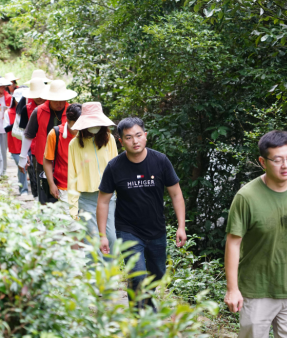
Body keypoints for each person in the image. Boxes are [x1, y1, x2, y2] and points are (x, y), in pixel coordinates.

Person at [223, 130, 287, 338]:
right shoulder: (246, 197)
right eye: (277, 160)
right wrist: (232, 289)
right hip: (257, 290)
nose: (286, 165)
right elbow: (233, 243)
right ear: (263, 161)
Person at [96, 117, 187, 309]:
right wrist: (103, 235)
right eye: (128, 137)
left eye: (138, 135)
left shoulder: (160, 161)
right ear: (121, 141)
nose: (135, 141)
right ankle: (144, 318)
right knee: (137, 275)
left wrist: (181, 226)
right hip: (127, 229)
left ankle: (142, 302)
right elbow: (103, 202)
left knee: (157, 274)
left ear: (145, 136)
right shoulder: (114, 167)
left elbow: (176, 194)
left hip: (156, 228)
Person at [67, 102, 118, 260]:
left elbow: (117, 168)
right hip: (86, 199)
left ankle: (110, 278)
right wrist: (73, 207)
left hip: (108, 197)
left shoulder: (109, 140)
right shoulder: (74, 144)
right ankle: (95, 281)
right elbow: (72, 176)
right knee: (92, 241)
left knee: (111, 238)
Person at [18, 80, 77, 203]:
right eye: (56, 100)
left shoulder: (73, 112)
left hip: (67, 161)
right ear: (50, 98)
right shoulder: (39, 111)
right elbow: (28, 134)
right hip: (43, 159)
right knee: (45, 196)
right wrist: (23, 157)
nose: (60, 104)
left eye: (62, 100)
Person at [43, 104, 81, 203]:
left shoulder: (87, 133)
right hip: (64, 187)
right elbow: (47, 160)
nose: (79, 128)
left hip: (85, 187)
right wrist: (51, 184)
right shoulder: (55, 134)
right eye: (76, 124)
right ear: (67, 121)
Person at [17, 77, 48, 197]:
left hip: (54, 148)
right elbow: (25, 133)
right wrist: (25, 154)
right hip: (35, 149)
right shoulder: (27, 109)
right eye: (36, 95)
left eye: (40, 94)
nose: (39, 98)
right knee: (37, 177)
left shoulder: (53, 107)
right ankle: (39, 201)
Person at [4, 87, 29, 196]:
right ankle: (23, 190)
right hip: (14, 145)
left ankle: (28, 186)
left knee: (29, 166)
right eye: (17, 99)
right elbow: (5, 128)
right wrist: (17, 122)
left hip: (28, 145)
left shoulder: (29, 110)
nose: (19, 102)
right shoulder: (8, 112)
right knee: (22, 166)